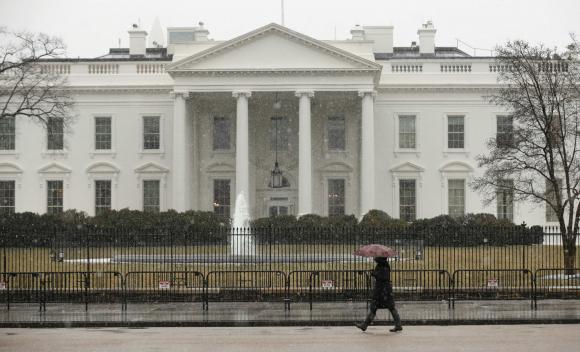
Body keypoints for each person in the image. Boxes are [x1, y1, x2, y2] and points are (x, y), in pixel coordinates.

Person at [356, 257, 402, 332]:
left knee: (378, 307)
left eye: (376, 257)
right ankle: (398, 324)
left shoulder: (383, 265)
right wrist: (374, 273)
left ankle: (365, 325)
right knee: (387, 307)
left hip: (382, 290)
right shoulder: (383, 265)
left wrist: (374, 273)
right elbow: (380, 275)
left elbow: (382, 277)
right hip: (384, 290)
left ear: (380, 258)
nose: (374, 258)